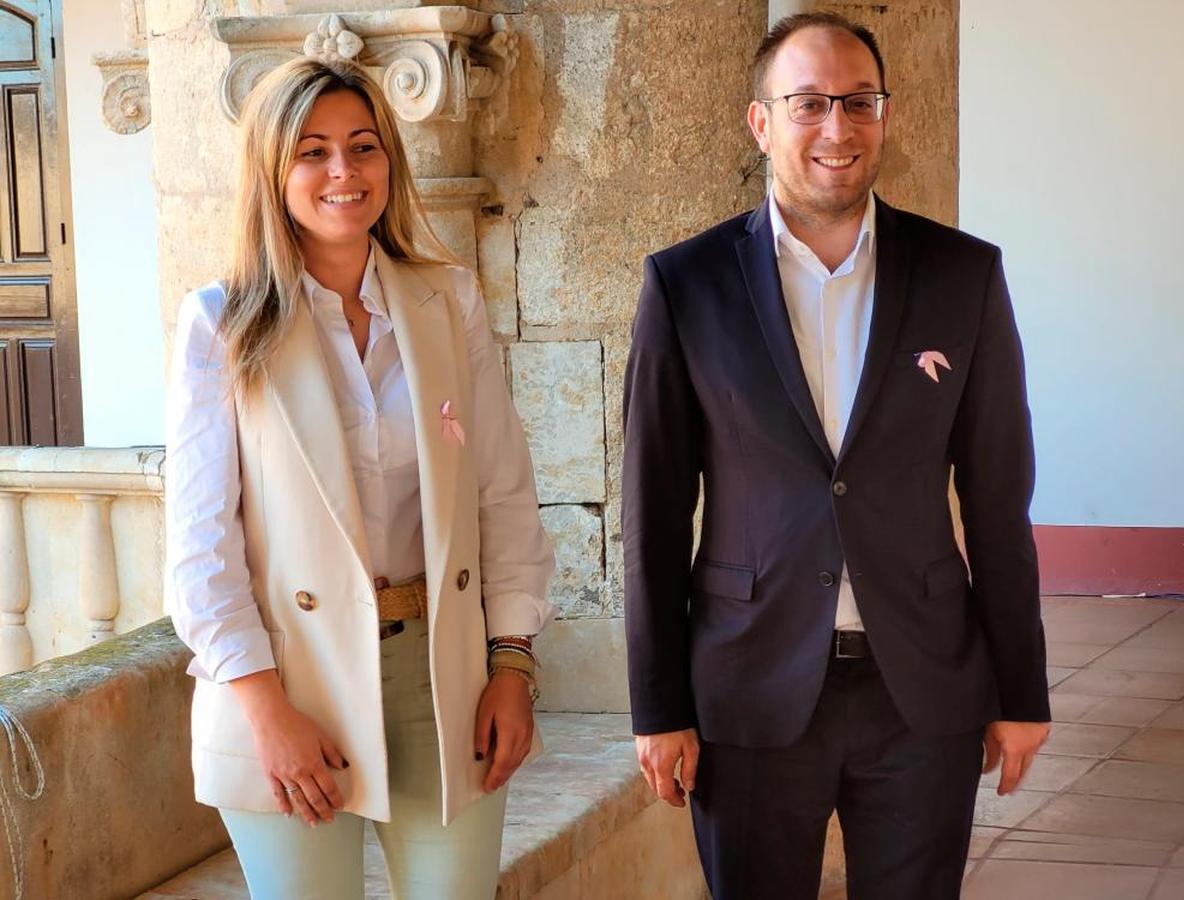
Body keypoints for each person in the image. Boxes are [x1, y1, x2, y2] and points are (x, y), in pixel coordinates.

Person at [622, 12, 1051, 899]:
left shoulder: (961, 275)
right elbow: (652, 516)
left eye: (859, 102)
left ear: (884, 115)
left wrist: (1023, 691)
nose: (836, 127)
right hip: (748, 690)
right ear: (762, 122)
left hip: (922, 692)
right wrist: (659, 707)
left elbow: (1000, 501)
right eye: (809, 102)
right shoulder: (686, 284)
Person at [165, 56, 555, 900]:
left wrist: (513, 666)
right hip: (287, 681)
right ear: (272, 172)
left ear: (390, 162)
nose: (344, 172)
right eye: (312, 152)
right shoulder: (220, 325)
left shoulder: (449, 301)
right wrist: (266, 716)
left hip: (440, 672)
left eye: (363, 146)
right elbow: (202, 554)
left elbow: (504, 499)